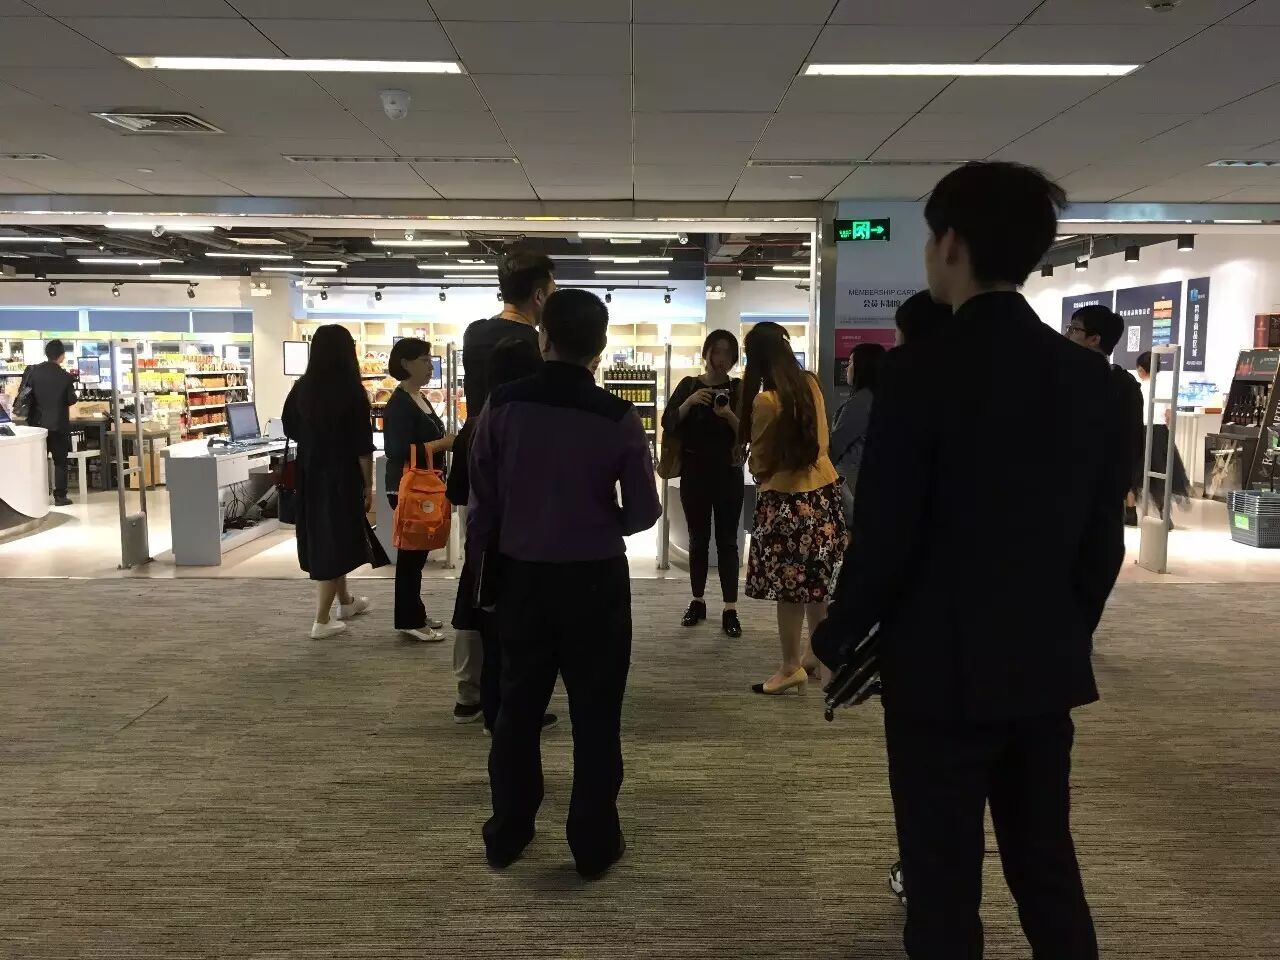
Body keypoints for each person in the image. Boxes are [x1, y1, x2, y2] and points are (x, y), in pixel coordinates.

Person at [813, 161, 1127, 959]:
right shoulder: (1093, 381)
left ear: (950, 243)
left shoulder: (918, 371)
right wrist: (1062, 628)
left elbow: (887, 531)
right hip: (1042, 665)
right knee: (1046, 864)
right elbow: (1103, 542)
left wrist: (836, 635)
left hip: (936, 670)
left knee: (942, 879)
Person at [468, 288, 661, 878]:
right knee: (596, 714)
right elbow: (644, 511)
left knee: (518, 709)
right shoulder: (617, 416)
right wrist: (604, 519)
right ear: (599, 348)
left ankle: (508, 832)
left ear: (544, 338)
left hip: (521, 576)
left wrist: (488, 562)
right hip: (595, 580)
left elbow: (482, 500)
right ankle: (593, 843)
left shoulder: (502, 404)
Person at [448, 335, 556, 730]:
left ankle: (476, 700)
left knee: (482, 623)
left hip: (483, 545)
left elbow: (457, 491)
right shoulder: (536, 426)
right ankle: (510, 711)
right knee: (522, 635)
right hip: (526, 546)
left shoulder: (478, 423)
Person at [739, 321, 847, 695]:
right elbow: (823, 441)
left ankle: (790, 667)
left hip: (785, 500)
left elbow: (760, 460)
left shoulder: (765, 401)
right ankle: (819, 657)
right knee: (818, 585)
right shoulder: (811, 384)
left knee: (789, 590)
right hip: (823, 496)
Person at [283, 324, 389, 640]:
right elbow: (362, 446)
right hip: (341, 475)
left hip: (309, 473)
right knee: (334, 539)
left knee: (326, 536)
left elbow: (289, 426)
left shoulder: (302, 388)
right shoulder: (352, 392)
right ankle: (321, 620)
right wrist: (368, 485)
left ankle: (346, 603)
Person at [662, 330, 744, 638]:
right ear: (707, 353)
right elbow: (668, 421)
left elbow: (748, 432)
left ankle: (730, 608)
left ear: (733, 358)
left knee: (727, 542)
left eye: (728, 353)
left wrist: (728, 414)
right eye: (716, 351)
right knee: (698, 540)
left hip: (728, 471)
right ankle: (697, 601)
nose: (721, 359)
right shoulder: (689, 385)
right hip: (694, 471)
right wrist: (689, 402)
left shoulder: (738, 388)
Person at [383, 337, 454, 643]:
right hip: (408, 487)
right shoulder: (399, 404)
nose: (430, 366)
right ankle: (408, 619)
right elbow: (397, 450)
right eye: (424, 360)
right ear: (405, 364)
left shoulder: (419, 397)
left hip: (425, 486)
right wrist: (442, 444)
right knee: (411, 557)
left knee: (417, 555)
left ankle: (415, 611)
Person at [1066, 305, 1145, 525]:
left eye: (1074, 329)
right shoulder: (1123, 384)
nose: (1067, 335)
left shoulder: (1122, 385)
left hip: (1095, 497)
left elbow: (1130, 445)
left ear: (1094, 339)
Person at [462, 250, 554, 417]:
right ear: (539, 297)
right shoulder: (540, 346)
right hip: (519, 432)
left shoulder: (473, 333)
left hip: (477, 431)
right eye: (552, 294)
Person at [830, 342, 886, 527]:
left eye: (851, 363)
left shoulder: (860, 402)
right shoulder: (881, 397)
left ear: (863, 367)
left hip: (851, 484)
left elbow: (836, 445)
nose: (847, 368)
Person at [1135, 350, 1190, 527]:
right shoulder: (1165, 388)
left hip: (1140, 431)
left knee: (1133, 473)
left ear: (1141, 369)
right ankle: (1164, 513)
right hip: (1160, 433)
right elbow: (1169, 416)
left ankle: (1130, 512)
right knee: (1161, 475)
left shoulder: (1138, 387)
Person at [19, 339, 76, 506]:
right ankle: (60, 497)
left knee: (38, 461)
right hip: (58, 425)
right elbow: (71, 399)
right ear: (62, 356)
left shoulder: (33, 372)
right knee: (60, 461)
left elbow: (25, 395)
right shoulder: (65, 377)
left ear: (47, 354)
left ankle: (38, 495)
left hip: (37, 425)